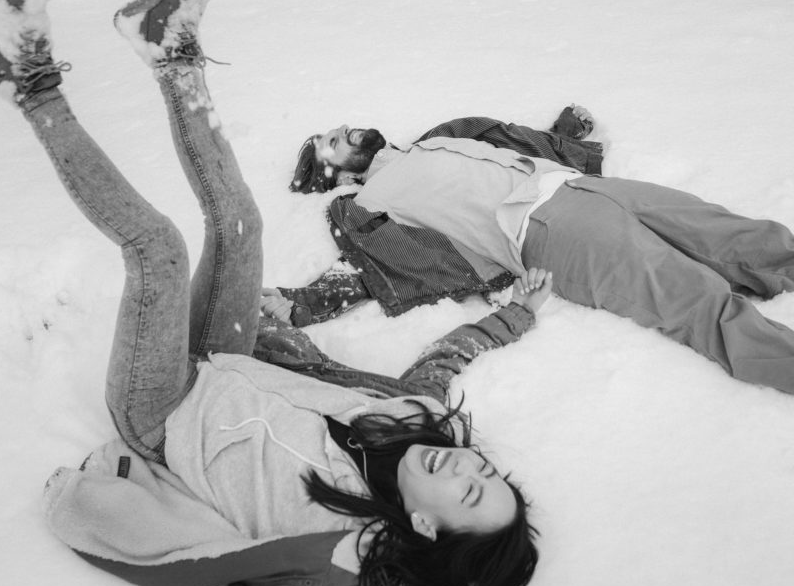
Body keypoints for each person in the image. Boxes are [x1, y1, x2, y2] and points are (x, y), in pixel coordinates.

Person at [0, 0, 551, 586]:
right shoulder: (415, 418)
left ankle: (26, 83)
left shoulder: (329, 554)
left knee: (157, 248)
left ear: (425, 528)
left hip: (164, 414)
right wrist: (514, 316)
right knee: (240, 221)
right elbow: (444, 360)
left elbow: (217, 573)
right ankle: (169, 49)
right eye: (488, 473)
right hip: (226, 358)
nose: (469, 465)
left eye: (469, 492)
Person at [269, 105, 794, 392]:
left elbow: (511, 145)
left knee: (731, 234)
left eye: (333, 129)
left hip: (581, 188)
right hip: (549, 234)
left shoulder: (431, 140)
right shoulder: (371, 205)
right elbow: (372, 263)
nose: (340, 129)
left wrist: (563, 136)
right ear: (333, 174)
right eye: (331, 142)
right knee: (692, 298)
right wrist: (299, 304)